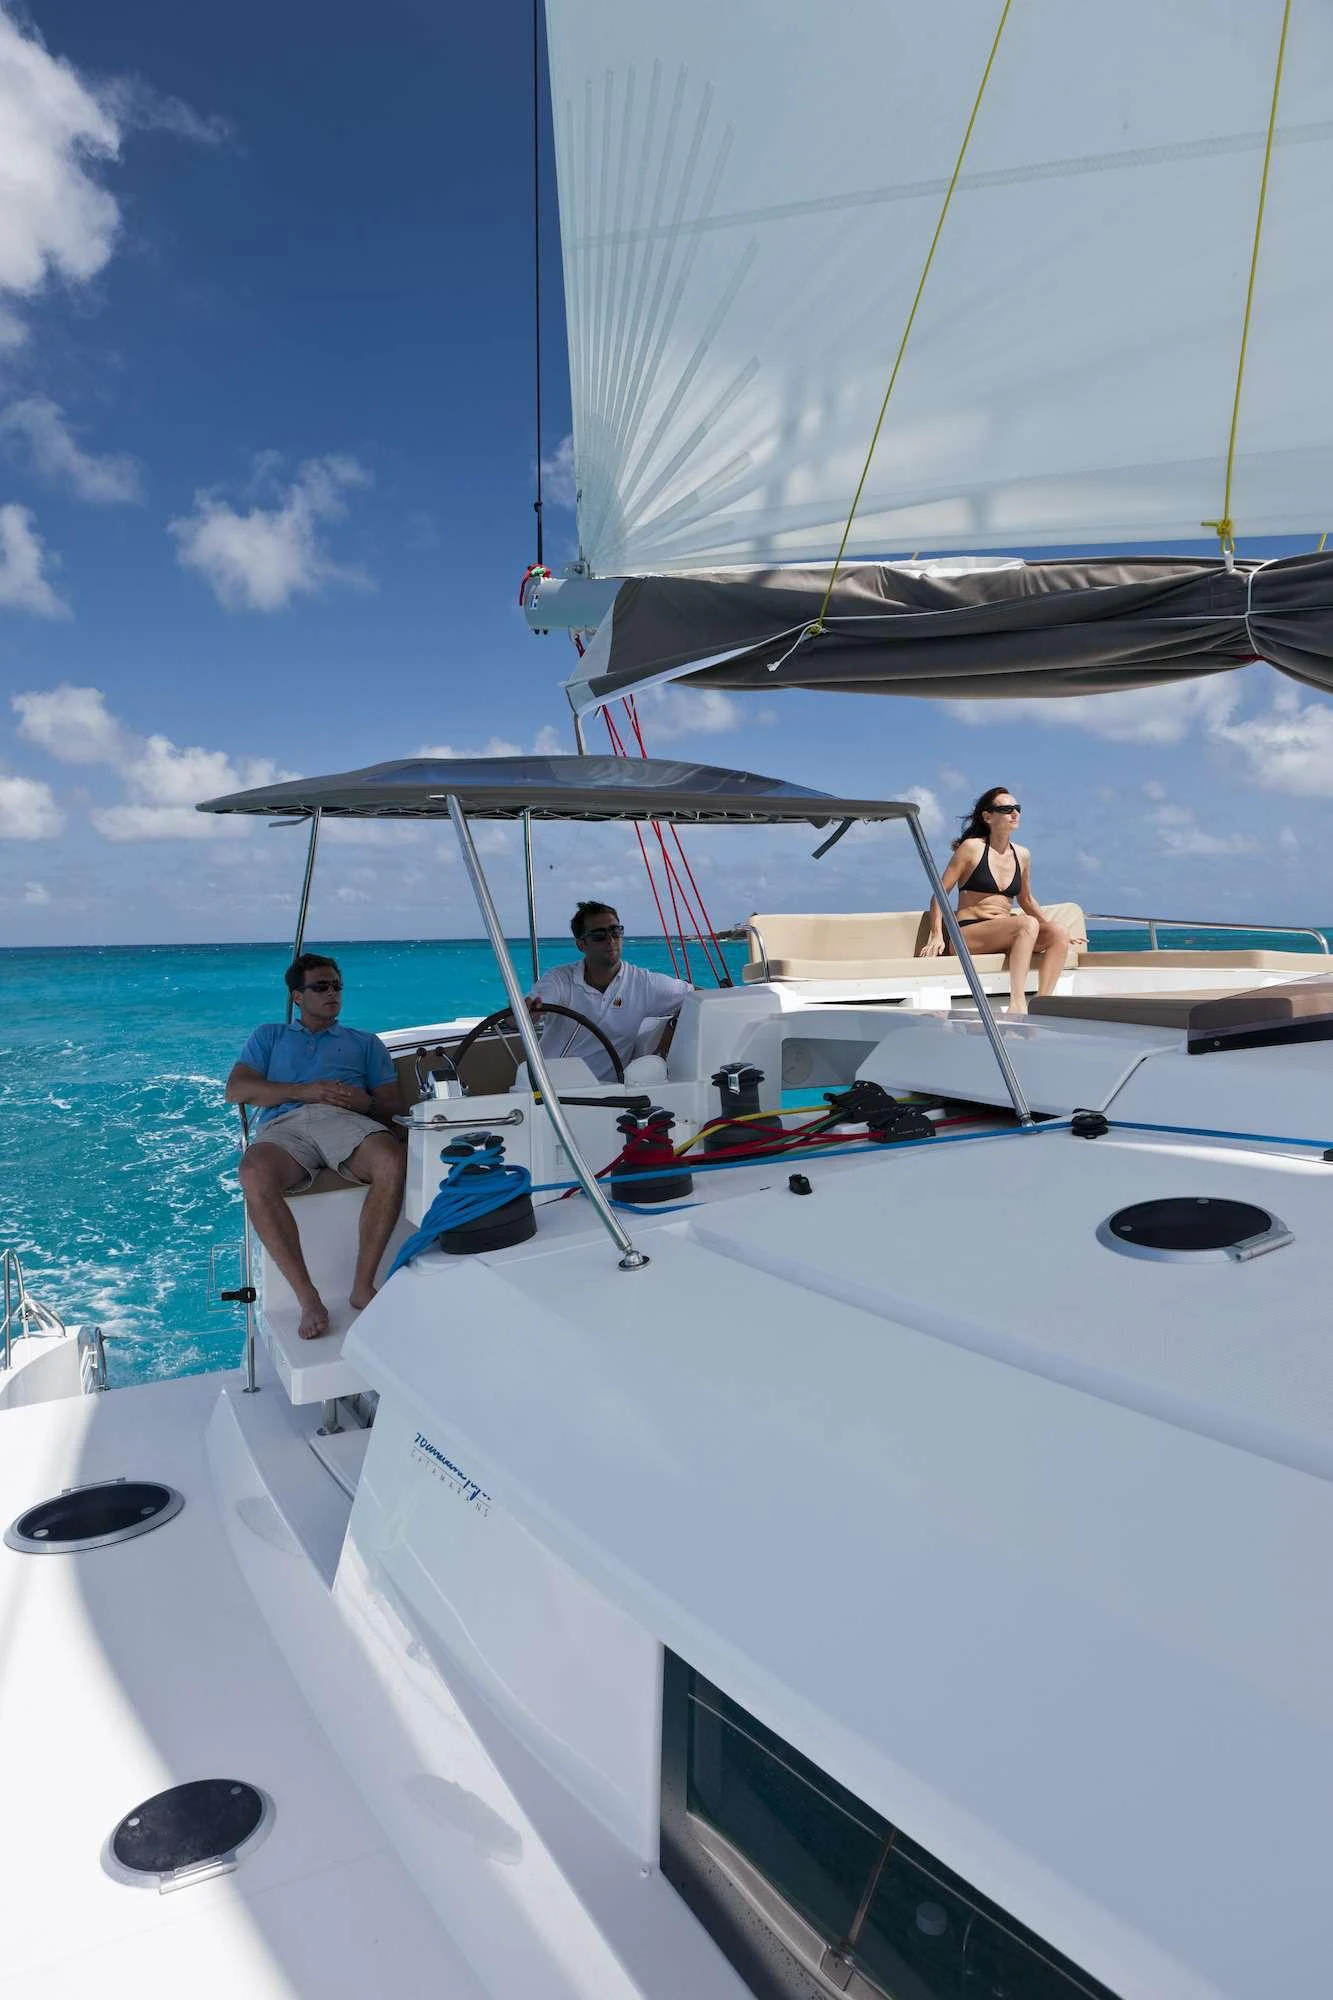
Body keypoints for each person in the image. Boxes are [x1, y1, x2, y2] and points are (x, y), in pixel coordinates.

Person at [226, 952, 405, 1340]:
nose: (332, 994)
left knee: (390, 1159)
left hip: (347, 1121)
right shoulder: (269, 1036)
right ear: (296, 996)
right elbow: (237, 1090)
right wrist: (301, 1091)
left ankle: (362, 1286)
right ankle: (308, 1298)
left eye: (337, 986)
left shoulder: (365, 1043)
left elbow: (395, 1108)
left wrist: (366, 1103)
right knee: (253, 1172)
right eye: (320, 986)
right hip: (286, 1124)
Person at [917, 787, 1070, 1014]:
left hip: (1006, 931)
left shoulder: (1022, 854)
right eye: (1006, 809)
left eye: (1017, 809)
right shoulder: (971, 849)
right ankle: (1017, 1004)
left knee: (1058, 931)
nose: (1014, 814)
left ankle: (1042, 1002)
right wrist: (937, 934)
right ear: (988, 816)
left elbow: (1026, 899)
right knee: (1026, 923)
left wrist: (1048, 924)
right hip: (969, 935)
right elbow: (940, 893)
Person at [525, 902, 693, 1082]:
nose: (610, 940)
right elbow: (525, 1010)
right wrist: (529, 1011)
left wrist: (671, 1029)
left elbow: (696, 997)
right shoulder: (559, 980)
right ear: (581, 944)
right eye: (599, 936)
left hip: (607, 1096)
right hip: (545, 1088)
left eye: (615, 932)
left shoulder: (644, 983)